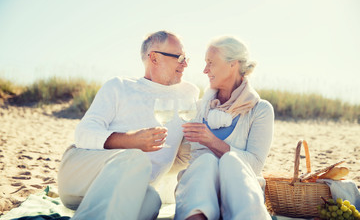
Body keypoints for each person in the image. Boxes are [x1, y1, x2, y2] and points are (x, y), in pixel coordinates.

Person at [57, 30, 199, 220]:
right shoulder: (119, 86)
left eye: (185, 57)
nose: (185, 63)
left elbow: (183, 151)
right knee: (135, 158)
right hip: (80, 178)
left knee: (152, 200)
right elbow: (83, 134)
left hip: (134, 190)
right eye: (179, 57)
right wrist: (129, 140)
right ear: (154, 58)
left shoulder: (188, 94)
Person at [174, 36, 274, 220]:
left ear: (232, 64)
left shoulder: (261, 110)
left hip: (240, 194)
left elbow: (254, 165)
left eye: (210, 63)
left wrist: (211, 141)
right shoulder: (197, 108)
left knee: (232, 162)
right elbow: (191, 161)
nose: (205, 70)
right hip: (198, 193)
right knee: (205, 162)